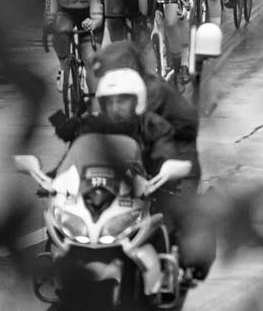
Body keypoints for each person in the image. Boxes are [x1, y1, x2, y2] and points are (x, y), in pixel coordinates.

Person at [47, 68, 194, 297]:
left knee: (171, 218)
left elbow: (166, 154)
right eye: (110, 102)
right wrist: (56, 177)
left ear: (137, 102)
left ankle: (168, 270)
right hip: (99, 197)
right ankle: (56, 268)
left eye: (123, 101)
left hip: (143, 196)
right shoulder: (91, 125)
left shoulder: (153, 127)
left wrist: (163, 174)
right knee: (56, 216)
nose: (116, 108)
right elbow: (76, 155)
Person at [83, 42, 214, 282]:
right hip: (143, 147)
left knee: (173, 212)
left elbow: (141, 136)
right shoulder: (118, 96)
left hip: (175, 150)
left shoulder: (146, 95)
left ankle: (174, 262)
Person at [39, 0, 101, 97]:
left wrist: (93, 23)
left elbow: (98, 16)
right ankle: (63, 66)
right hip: (65, 13)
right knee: (59, 30)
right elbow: (50, 16)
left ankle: (87, 75)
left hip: (87, 14)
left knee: (90, 55)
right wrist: (49, 29)